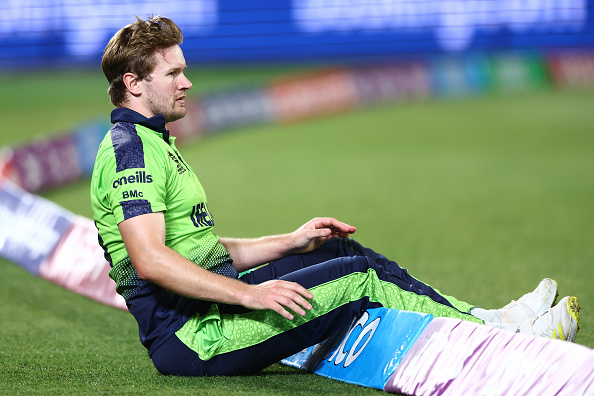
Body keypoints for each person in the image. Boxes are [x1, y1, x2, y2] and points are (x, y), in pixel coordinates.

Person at [91, 16, 580, 377]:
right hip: (194, 338)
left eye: (184, 70)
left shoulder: (153, 141)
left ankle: (486, 320)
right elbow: (151, 259)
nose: (188, 82)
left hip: (209, 312)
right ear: (133, 84)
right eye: (173, 73)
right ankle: (510, 342)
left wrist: (291, 240)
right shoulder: (130, 151)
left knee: (336, 249)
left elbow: (203, 252)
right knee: (356, 278)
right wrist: (251, 293)